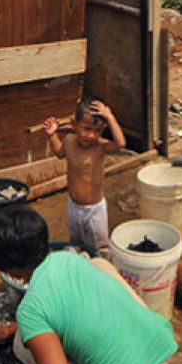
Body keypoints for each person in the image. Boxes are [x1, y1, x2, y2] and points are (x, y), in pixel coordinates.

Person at [0, 207, 177, 364]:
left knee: (20, 344)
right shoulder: (69, 259)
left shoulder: (31, 310)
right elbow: (69, 306)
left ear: (9, 269)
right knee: (99, 264)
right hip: (160, 357)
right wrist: (12, 328)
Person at [43, 96, 126, 257]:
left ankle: (100, 268)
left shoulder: (100, 147)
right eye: (87, 128)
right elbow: (59, 153)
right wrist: (52, 135)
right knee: (76, 243)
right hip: (74, 206)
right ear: (74, 125)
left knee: (100, 248)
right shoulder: (68, 141)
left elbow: (120, 144)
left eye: (98, 130)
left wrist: (110, 117)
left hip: (95, 210)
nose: (92, 136)